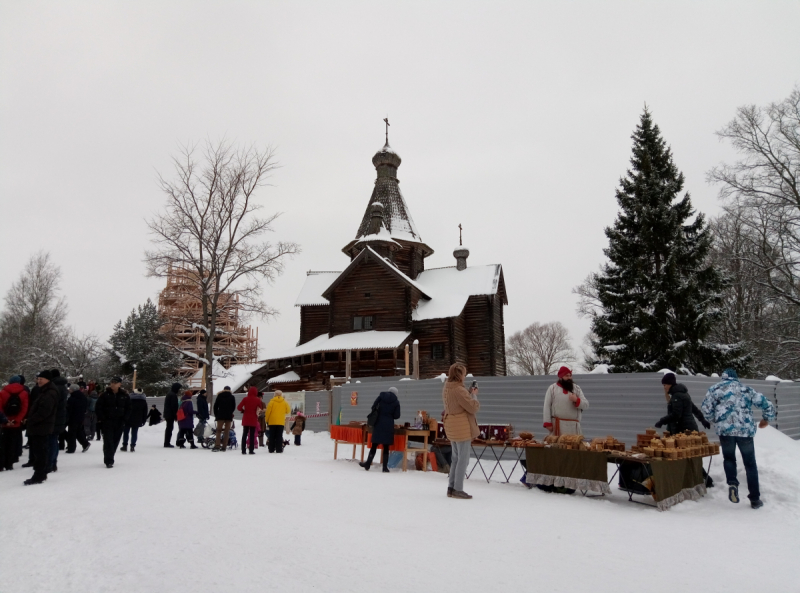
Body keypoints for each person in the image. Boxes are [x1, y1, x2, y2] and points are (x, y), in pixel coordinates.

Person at [701, 368, 776, 509]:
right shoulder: (746, 389)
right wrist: (766, 419)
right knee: (750, 464)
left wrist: (715, 420)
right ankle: (755, 499)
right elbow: (767, 404)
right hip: (745, 432)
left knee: (729, 459)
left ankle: (733, 484)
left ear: (723, 377)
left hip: (725, 432)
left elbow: (706, 409)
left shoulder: (714, 389)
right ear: (736, 377)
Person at [441, 364, 479, 498]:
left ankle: (451, 487)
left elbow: (457, 403)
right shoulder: (459, 389)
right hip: (461, 427)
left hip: (451, 425)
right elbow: (473, 408)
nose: (464, 376)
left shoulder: (447, 387)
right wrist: (473, 395)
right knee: (463, 459)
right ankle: (458, 489)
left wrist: (467, 393)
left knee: (456, 458)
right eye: (463, 373)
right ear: (459, 375)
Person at [24, 370, 60, 485]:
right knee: (39, 451)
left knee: (40, 452)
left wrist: (31, 420)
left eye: (41, 379)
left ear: (48, 380)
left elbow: (44, 411)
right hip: (40, 426)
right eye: (38, 379)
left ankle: (39, 475)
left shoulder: (50, 393)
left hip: (41, 426)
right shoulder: (45, 391)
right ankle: (40, 473)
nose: (39, 381)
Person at [360, 388, 401, 472]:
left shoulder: (380, 397)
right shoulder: (396, 402)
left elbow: (373, 407)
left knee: (374, 445)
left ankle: (368, 463)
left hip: (378, 423)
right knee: (386, 446)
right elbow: (397, 415)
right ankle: (385, 467)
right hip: (388, 424)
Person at [95, 377, 131, 468]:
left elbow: (129, 409)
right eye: (111, 382)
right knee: (108, 441)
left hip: (119, 421)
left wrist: (124, 419)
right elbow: (98, 407)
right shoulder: (105, 395)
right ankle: (109, 460)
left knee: (115, 441)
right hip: (107, 421)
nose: (112, 384)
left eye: (115, 382)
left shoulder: (124, 395)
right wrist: (102, 418)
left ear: (120, 384)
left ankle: (110, 455)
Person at [543, 366, 588, 436]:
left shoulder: (577, 388)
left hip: (574, 428)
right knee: (556, 446)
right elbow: (547, 406)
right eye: (567, 376)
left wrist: (576, 400)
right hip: (557, 426)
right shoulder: (552, 388)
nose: (569, 378)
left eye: (570, 376)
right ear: (561, 377)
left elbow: (586, 405)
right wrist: (548, 423)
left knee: (574, 446)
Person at [0, 375, 29, 470]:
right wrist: (17, 419)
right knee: (13, 443)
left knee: (3, 443)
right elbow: (24, 408)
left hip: (4, 422)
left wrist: (5, 420)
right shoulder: (24, 393)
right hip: (16, 423)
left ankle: (1, 463)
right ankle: (10, 463)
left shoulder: (3, 392)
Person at [49, 369, 69, 472]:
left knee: (51, 439)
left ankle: (51, 462)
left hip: (54, 416)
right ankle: (53, 462)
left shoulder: (54, 387)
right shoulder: (63, 387)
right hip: (60, 415)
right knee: (54, 439)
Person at [65, 383, 90, 454]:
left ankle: (71, 448)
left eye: (70, 389)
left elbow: (69, 408)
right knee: (78, 431)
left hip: (73, 417)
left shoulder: (72, 398)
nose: (69, 390)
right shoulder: (83, 397)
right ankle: (85, 443)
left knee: (72, 433)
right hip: (80, 417)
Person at [237, 386, 261, 454]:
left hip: (246, 418)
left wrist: (243, 410)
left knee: (244, 434)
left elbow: (239, 407)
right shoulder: (257, 400)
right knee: (252, 435)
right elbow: (260, 407)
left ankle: (243, 450)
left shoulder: (245, 399)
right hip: (253, 418)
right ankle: (251, 450)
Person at [212, 386, 236, 452]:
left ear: (223, 389)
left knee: (218, 431)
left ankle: (217, 446)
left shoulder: (219, 396)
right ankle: (224, 447)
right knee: (226, 431)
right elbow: (233, 407)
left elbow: (215, 406)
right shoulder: (232, 397)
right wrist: (230, 412)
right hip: (228, 416)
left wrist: (216, 414)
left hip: (220, 415)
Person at [163, 382, 181, 448]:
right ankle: (167, 443)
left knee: (169, 428)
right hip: (170, 414)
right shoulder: (173, 395)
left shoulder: (169, 394)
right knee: (169, 428)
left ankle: (166, 442)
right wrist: (176, 416)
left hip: (168, 414)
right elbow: (174, 406)